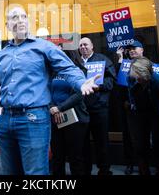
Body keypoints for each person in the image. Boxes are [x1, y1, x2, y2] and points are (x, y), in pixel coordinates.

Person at [0, 6, 99, 175]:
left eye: (24, 16)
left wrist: (81, 83)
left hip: (34, 119)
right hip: (5, 121)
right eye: (15, 17)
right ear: (8, 25)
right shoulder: (2, 54)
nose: (21, 20)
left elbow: (68, 69)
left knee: (35, 173)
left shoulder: (44, 46)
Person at [127, 57, 159, 175]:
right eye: (136, 77)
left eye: (141, 78)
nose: (138, 80)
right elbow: (131, 92)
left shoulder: (157, 81)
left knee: (158, 145)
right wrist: (133, 103)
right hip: (140, 113)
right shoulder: (131, 77)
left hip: (155, 113)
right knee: (140, 146)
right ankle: (144, 171)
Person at [78, 37, 116, 175]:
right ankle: (85, 170)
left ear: (92, 46)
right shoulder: (76, 62)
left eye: (85, 44)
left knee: (101, 141)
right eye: (81, 45)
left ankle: (104, 170)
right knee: (83, 143)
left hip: (99, 108)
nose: (83, 47)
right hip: (81, 108)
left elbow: (112, 80)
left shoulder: (102, 59)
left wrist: (98, 87)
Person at [50, 48, 89, 175]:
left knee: (75, 157)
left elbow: (79, 95)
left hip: (75, 118)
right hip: (55, 118)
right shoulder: (53, 72)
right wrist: (53, 108)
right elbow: (47, 91)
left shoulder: (79, 71)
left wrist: (60, 108)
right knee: (57, 156)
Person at [115, 40, 145, 175]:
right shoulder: (125, 64)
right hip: (127, 106)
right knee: (128, 136)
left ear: (142, 50)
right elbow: (119, 83)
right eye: (130, 49)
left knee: (143, 136)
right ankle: (130, 163)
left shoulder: (147, 63)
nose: (132, 50)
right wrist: (120, 58)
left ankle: (143, 164)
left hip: (144, 106)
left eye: (135, 48)